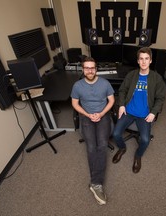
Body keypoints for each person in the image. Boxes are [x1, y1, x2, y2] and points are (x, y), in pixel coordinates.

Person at [112, 47, 166, 173]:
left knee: (146, 140)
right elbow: (122, 90)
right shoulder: (131, 75)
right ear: (138, 61)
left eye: (146, 59)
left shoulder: (157, 78)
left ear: (151, 61)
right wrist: (121, 105)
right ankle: (122, 148)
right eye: (141, 59)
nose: (144, 62)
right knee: (115, 134)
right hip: (128, 111)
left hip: (145, 115)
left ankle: (138, 156)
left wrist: (153, 112)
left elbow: (160, 98)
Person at [71, 57, 115, 205]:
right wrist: (87, 114)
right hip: (86, 116)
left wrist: (101, 114)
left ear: (96, 69)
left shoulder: (105, 83)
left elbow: (112, 101)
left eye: (92, 68)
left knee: (102, 145)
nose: (90, 70)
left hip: (102, 115)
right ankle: (96, 184)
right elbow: (75, 104)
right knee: (91, 148)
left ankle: (96, 184)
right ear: (83, 69)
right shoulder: (77, 86)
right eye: (87, 68)